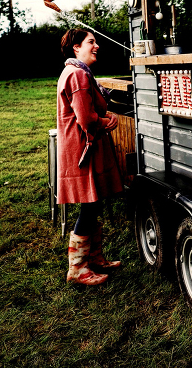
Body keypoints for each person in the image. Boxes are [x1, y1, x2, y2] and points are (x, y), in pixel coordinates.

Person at [57, 28, 123, 285]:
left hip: (83, 147)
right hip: (82, 149)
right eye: (91, 42)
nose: (96, 46)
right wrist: (107, 120)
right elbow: (86, 118)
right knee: (89, 205)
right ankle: (77, 269)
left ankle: (94, 258)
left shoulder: (74, 72)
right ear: (76, 47)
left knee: (93, 203)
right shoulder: (78, 75)